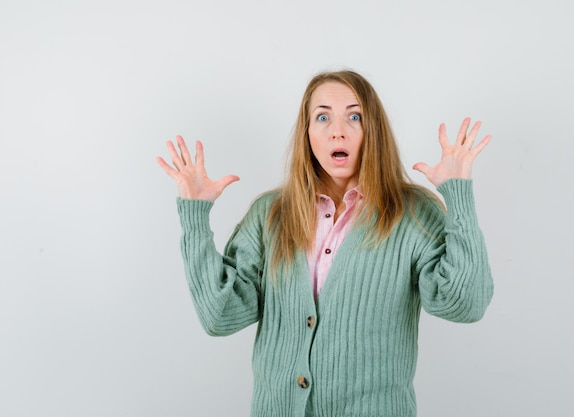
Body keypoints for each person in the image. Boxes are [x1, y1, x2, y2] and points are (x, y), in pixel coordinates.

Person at [157, 70, 494, 417]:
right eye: (322, 117)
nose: (338, 130)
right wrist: (195, 218)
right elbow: (220, 315)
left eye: (354, 115)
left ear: (372, 131)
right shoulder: (269, 215)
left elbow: (464, 304)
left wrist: (459, 195)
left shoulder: (413, 214)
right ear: (307, 134)